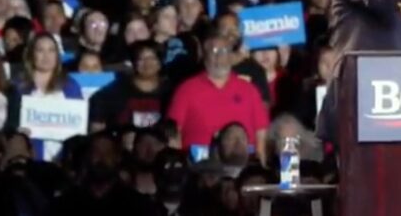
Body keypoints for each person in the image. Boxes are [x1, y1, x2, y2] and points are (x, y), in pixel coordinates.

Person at [166, 28, 269, 164]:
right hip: (198, 167)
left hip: (242, 165)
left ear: (231, 56)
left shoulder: (249, 89)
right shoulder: (186, 89)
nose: (219, 57)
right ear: (204, 55)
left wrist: (260, 165)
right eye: (214, 51)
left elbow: (261, 132)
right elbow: (174, 132)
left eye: (224, 51)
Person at [49, 132, 158, 215]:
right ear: (88, 157)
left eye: (107, 153)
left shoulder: (138, 206)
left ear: (117, 157)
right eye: (96, 152)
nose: (101, 159)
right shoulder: (65, 205)